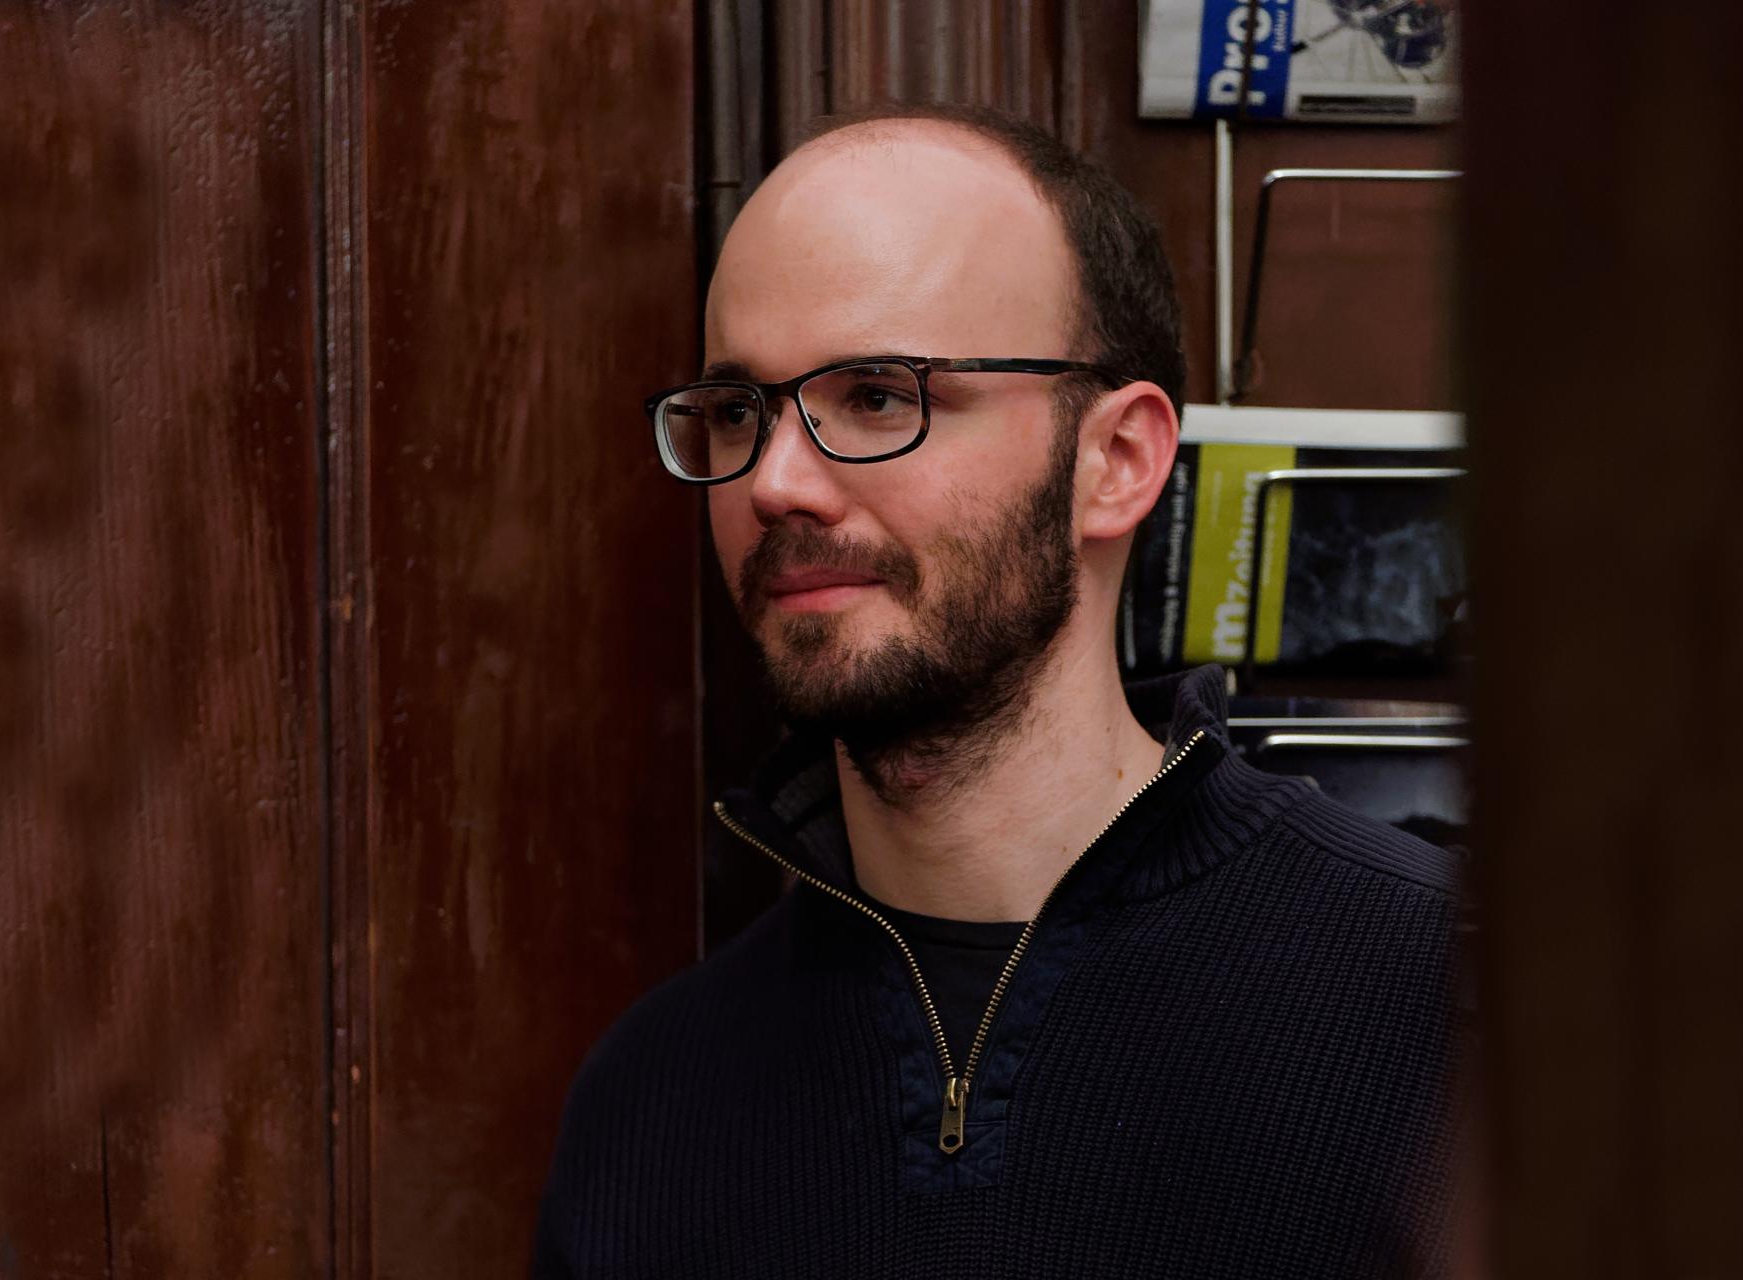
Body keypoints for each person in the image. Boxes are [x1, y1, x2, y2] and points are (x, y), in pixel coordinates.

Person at [534, 104, 1460, 1278]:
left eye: (879, 394)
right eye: (735, 413)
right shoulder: (650, 1106)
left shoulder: (1451, 1018)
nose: (773, 482)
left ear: (1115, 460)